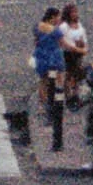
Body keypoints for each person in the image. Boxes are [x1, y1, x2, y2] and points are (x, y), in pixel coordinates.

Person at [32, 8, 66, 138]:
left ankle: (44, 104)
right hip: (54, 57)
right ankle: (55, 106)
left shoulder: (37, 27)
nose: (59, 19)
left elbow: (36, 41)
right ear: (52, 17)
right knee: (58, 81)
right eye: (58, 17)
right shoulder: (56, 31)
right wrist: (78, 49)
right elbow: (62, 44)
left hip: (41, 56)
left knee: (43, 81)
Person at [59, 3, 91, 103]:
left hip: (79, 52)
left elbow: (83, 37)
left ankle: (76, 94)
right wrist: (76, 49)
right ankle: (67, 94)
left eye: (76, 12)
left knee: (78, 74)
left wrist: (84, 47)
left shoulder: (79, 25)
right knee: (70, 73)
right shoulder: (64, 26)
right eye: (72, 12)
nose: (75, 14)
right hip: (69, 54)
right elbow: (64, 42)